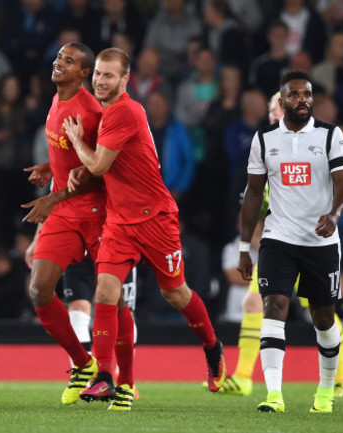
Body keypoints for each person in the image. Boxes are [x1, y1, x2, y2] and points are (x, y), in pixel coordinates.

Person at [63, 47, 226, 409]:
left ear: (125, 80)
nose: (100, 81)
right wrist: (83, 169)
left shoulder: (124, 111)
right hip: (121, 220)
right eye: (98, 74)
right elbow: (106, 167)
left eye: (109, 76)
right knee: (105, 292)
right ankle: (105, 376)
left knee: (176, 294)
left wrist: (78, 145)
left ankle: (213, 348)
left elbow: (102, 164)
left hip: (155, 218)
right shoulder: (108, 112)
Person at [19, 42, 134, 409]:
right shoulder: (57, 101)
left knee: (111, 299)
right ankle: (84, 365)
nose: (58, 63)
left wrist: (52, 198)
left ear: (84, 73)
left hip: (100, 210)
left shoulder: (92, 112)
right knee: (39, 290)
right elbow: (71, 162)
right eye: (58, 57)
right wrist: (49, 168)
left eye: (68, 61)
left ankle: (125, 380)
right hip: (67, 212)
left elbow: (100, 170)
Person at [238, 70, 343, 414]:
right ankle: (274, 394)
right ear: (281, 99)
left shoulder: (331, 135)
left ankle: (326, 390)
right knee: (274, 305)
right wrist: (245, 247)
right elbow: (253, 194)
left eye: (307, 94)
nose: (302, 100)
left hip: (321, 241)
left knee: (323, 319)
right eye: (294, 95)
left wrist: (334, 215)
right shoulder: (264, 139)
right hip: (279, 237)